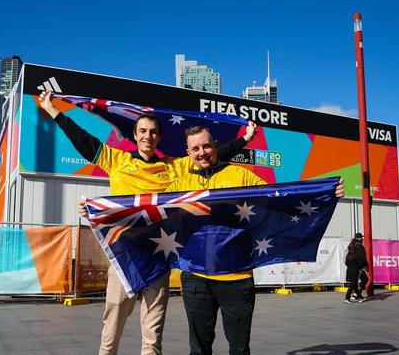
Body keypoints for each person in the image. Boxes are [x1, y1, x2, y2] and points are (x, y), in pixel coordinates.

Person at [38, 91, 256, 355]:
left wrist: (243, 140)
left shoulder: (174, 167)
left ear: (159, 137)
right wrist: (53, 111)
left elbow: (208, 153)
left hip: (157, 256)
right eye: (142, 131)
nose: (147, 136)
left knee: (152, 336)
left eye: (153, 132)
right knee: (112, 329)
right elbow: (83, 140)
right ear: (134, 134)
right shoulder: (116, 160)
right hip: (124, 257)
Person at [165, 126, 345, 355]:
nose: (202, 152)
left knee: (239, 349)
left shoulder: (240, 175)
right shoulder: (179, 184)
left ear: (216, 145)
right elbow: (152, 210)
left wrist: (327, 192)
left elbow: (280, 197)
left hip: (237, 277)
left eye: (207, 146)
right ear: (188, 152)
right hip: (195, 278)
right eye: (196, 148)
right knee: (198, 349)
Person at [343, 233, 369, 303]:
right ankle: (347, 297)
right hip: (357, 268)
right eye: (361, 238)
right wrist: (364, 267)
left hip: (350, 268)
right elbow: (362, 258)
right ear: (360, 238)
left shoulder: (350, 246)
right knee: (359, 281)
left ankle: (358, 296)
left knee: (354, 283)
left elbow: (345, 260)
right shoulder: (359, 246)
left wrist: (350, 265)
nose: (362, 239)